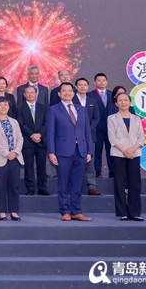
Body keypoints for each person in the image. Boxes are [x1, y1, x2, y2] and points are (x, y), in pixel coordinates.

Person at [47, 82, 93, 221]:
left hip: (81, 152)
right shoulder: (54, 109)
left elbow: (87, 132)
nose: (67, 93)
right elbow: (50, 132)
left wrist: (89, 151)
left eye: (70, 91)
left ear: (74, 93)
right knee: (63, 183)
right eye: (64, 91)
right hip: (62, 152)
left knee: (78, 183)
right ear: (59, 94)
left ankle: (76, 211)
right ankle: (65, 211)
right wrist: (51, 152)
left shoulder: (81, 109)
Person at [107, 93, 145, 221]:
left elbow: (141, 137)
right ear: (116, 104)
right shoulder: (111, 118)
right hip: (118, 153)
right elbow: (112, 137)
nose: (123, 102)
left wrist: (132, 150)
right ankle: (122, 212)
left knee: (135, 183)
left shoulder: (136, 118)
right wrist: (124, 150)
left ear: (130, 102)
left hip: (134, 154)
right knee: (119, 183)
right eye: (120, 100)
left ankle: (135, 212)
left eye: (125, 100)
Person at [0, 97, 24, 221]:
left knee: (14, 186)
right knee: (1, 186)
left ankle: (14, 212)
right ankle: (2, 212)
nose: (3, 107)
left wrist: (15, 152)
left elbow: (20, 139)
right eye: (1, 105)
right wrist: (6, 153)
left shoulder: (14, 122)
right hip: (0, 158)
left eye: (6, 105)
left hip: (15, 158)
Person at [16, 85, 50, 196]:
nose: (30, 94)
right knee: (28, 166)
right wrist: (32, 135)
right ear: (24, 95)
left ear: (36, 94)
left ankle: (42, 188)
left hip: (41, 140)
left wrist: (39, 134)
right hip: (27, 141)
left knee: (41, 166)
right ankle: (30, 188)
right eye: (28, 93)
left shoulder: (43, 107)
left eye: (32, 92)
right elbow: (21, 124)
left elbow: (47, 123)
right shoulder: (19, 109)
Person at [74, 78, 102, 196]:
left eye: (85, 85)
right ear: (76, 87)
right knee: (75, 162)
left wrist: (87, 129)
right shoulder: (71, 100)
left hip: (90, 136)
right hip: (74, 136)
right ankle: (75, 187)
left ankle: (92, 186)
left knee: (90, 162)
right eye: (80, 85)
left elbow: (97, 118)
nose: (82, 87)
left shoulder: (92, 100)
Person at [87, 73, 113, 178]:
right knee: (97, 150)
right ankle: (97, 171)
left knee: (111, 150)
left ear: (106, 82)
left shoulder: (113, 94)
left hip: (111, 128)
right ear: (94, 82)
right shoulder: (90, 95)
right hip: (96, 128)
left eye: (103, 80)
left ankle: (113, 171)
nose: (101, 82)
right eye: (99, 80)